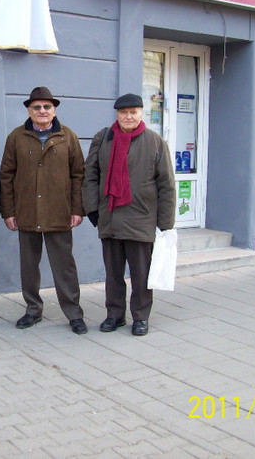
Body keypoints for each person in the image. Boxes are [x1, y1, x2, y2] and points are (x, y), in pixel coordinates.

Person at [82, 93, 176, 336]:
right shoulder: (103, 139)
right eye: (124, 112)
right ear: (117, 114)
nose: (129, 116)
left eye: (133, 112)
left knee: (141, 274)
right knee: (113, 274)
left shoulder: (155, 142)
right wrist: (92, 208)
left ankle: (141, 317)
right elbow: (90, 175)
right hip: (110, 217)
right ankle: (114, 315)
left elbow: (166, 184)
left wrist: (166, 223)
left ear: (141, 113)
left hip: (141, 219)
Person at [0, 86, 88, 335]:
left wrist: (77, 209)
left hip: (59, 212)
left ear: (54, 109)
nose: (41, 111)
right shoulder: (16, 137)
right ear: (29, 110)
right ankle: (32, 310)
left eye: (46, 106)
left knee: (65, 266)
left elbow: (78, 175)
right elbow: (6, 176)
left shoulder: (67, 136)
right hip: (26, 212)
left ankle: (74, 313)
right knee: (29, 265)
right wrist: (8, 211)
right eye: (36, 107)